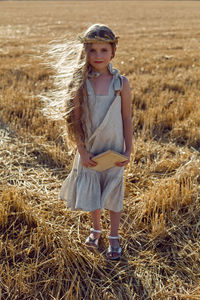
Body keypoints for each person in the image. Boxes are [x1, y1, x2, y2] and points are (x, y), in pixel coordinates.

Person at [53, 24, 132, 259]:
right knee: (94, 192)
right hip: (91, 149)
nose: (98, 56)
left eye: (104, 50)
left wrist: (129, 149)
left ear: (113, 52)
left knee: (114, 192)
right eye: (92, 50)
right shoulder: (81, 83)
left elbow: (127, 117)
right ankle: (96, 229)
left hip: (114, 149)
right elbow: (74, 120)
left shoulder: (121, 84)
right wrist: (82, 150)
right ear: (85, 52)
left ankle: (114, 235)